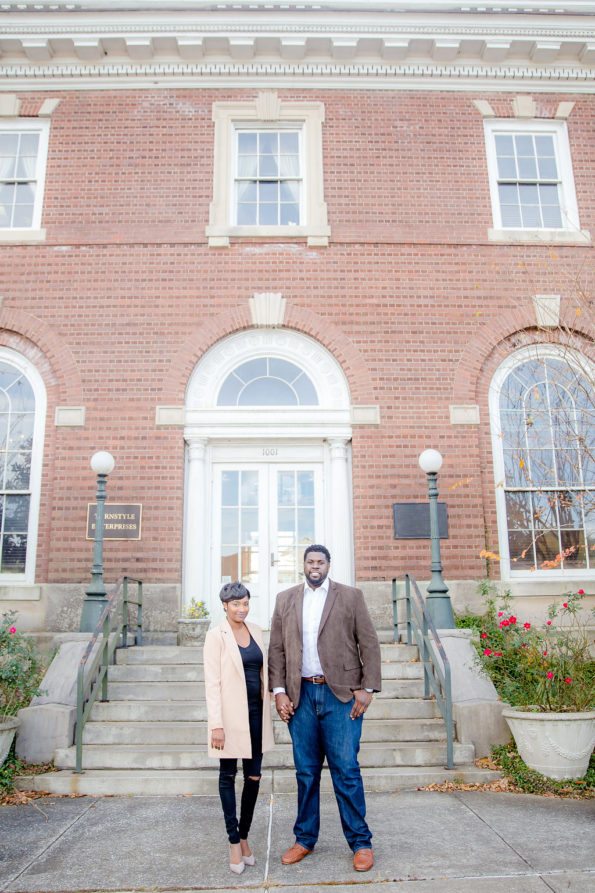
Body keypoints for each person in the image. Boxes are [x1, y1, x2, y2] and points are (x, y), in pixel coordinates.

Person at [268, 545, 381, 872]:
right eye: (310, 561)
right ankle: (304, 839)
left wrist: (367, 689)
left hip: (341, 697)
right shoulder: (285, 599)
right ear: (303, 565)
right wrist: (279, 691)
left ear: (328, 565)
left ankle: (361, 843)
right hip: (300, 696)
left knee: (346, 770)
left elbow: (369, 642)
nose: (314, 566)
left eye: (320, 561)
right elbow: (276, 649)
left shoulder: (351, 597)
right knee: (306, 772)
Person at [203, 581, 274, 875]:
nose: (241, 609)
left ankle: (244, 835)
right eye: (235, 604)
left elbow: (264, 671)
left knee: (254, 777)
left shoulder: (256, 630)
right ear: (224, 605)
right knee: (228, 776)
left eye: (245, 603)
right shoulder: (215, 636)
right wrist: (216, 725)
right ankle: (233, 841)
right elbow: (212, 684)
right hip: (230, 719)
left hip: (257, 715)